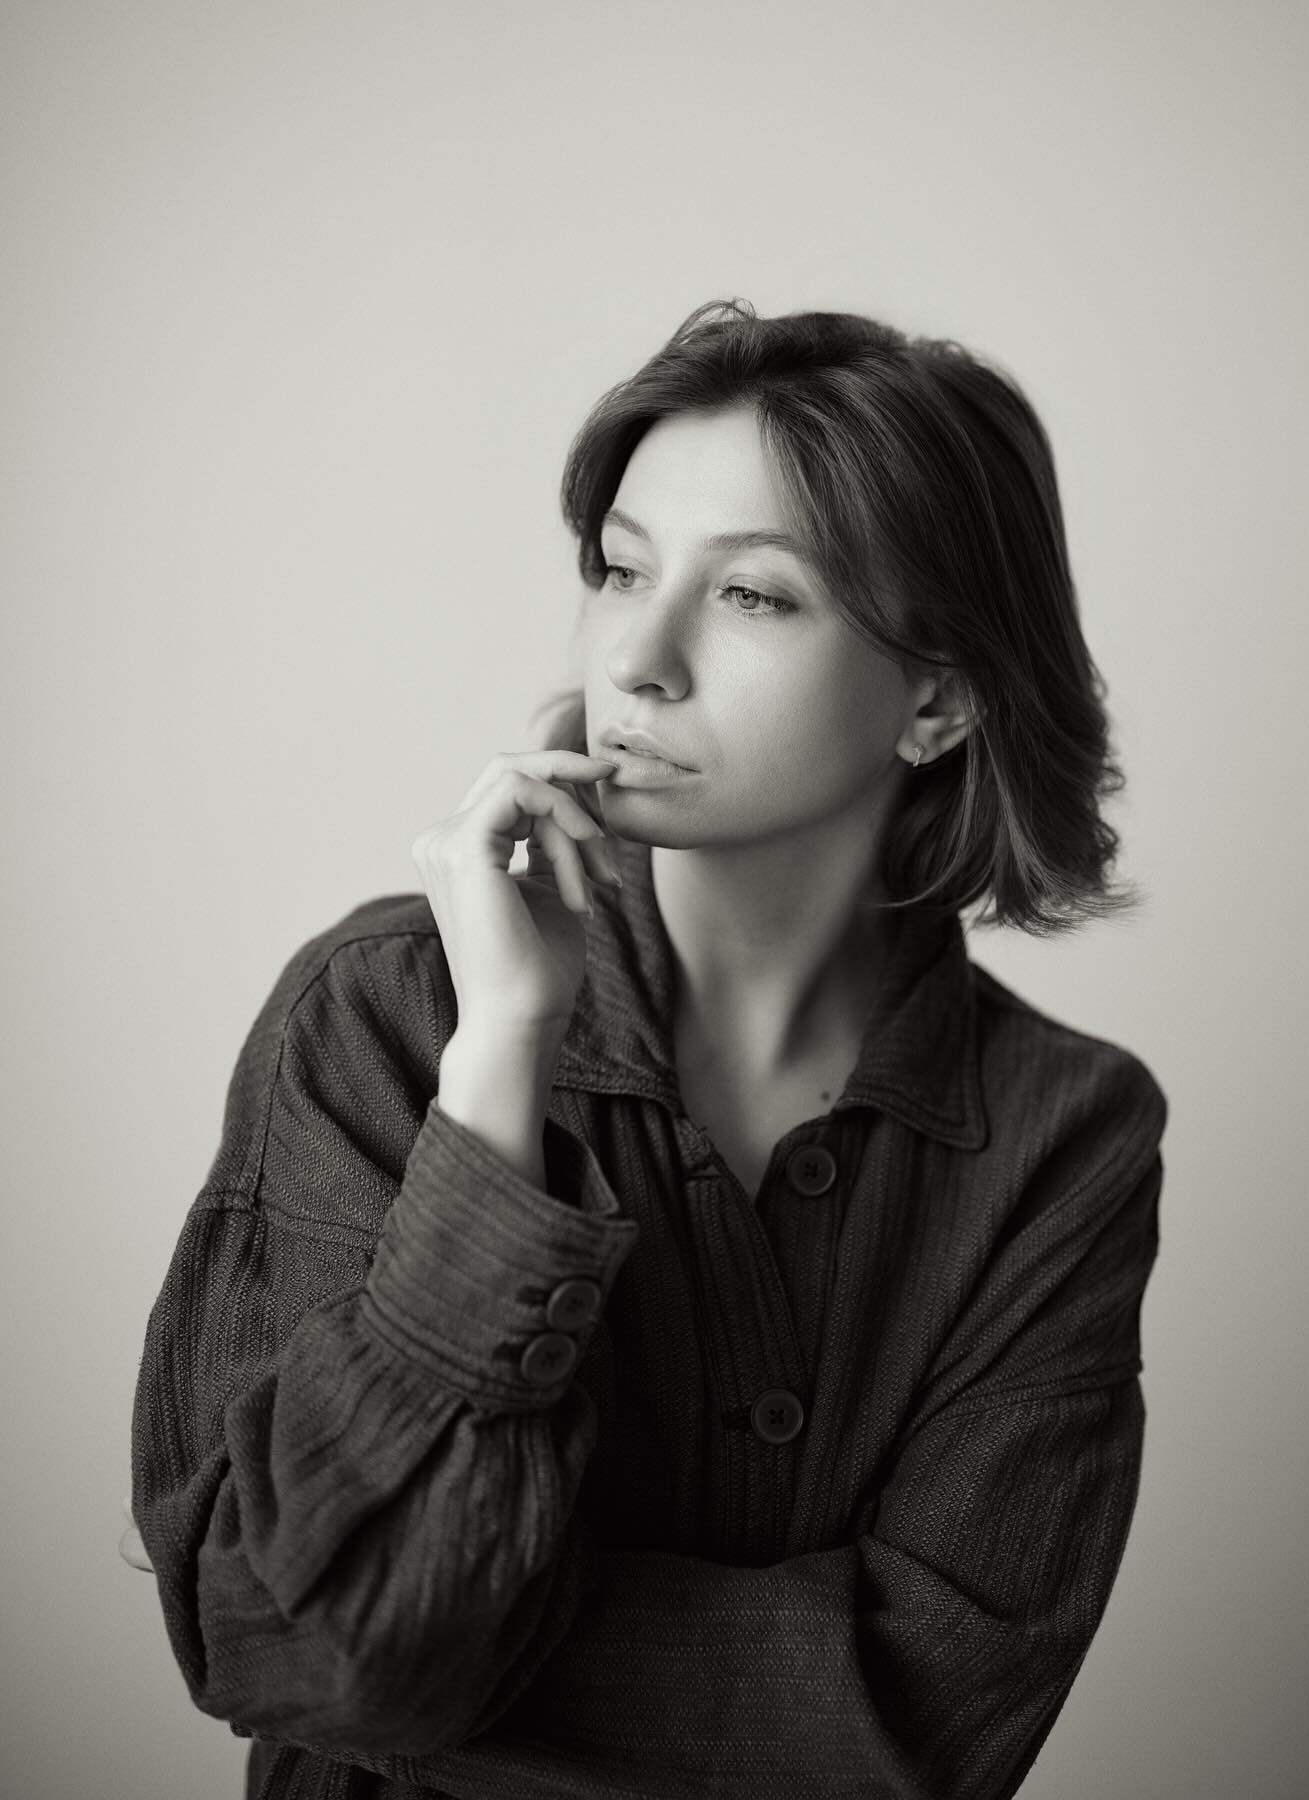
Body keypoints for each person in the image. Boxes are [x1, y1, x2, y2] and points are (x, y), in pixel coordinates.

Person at [127, 298, 1168, 1799]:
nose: (639, 657)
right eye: (620, 569)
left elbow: (924, 1727)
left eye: (754, 596)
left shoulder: (1065, 1134)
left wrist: (448, 1655)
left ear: (937, 700)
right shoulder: (382, 1014)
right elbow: (293, 1653)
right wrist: (501, 1070)